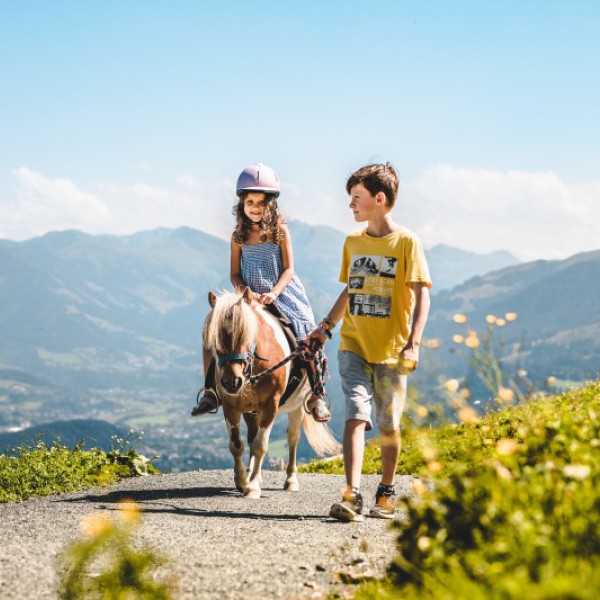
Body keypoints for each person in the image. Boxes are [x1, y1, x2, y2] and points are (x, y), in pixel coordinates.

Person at [305, 163, 432, 521]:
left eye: (356, 198)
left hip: (392, 351)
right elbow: (352, 288)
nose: (351, 206)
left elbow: (422, 296)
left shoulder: (406, 242)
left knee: (389, 424)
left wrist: (414, 343)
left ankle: (387, 490)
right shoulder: (353, 242)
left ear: (379, 198)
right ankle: (352, 493)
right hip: (354, 345)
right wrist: (326, 326)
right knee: (356, 414)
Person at [192, 163, 331, 422]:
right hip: (247, 295)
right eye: (250, 201)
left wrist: (274, 293)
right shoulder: (238, 236)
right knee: (213, 333)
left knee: (306, 334)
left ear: (271, 204)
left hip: (283, 292)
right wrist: (245, 292)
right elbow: (234, 273)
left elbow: (289, 269)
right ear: (241, 204)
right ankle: (211, 390)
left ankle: (317, 396)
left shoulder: (280, 232)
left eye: (261, 202)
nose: (255, 207)